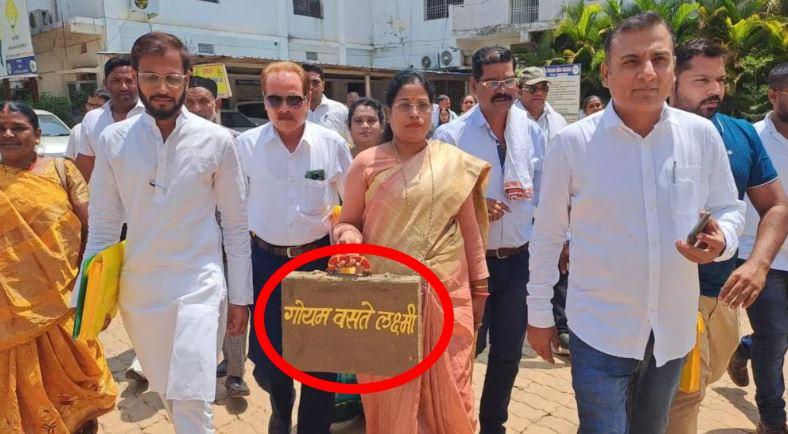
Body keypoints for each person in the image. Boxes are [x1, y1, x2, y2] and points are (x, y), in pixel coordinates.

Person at [527, 13, 745, 434]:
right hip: (600, 330)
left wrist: (724, 239)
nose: (647, 72)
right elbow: (548, 234)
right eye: (631, 61)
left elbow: (729, 208)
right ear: (606, 73)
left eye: (659, 59)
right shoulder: (572, 144)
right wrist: (539, 313)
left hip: (672, 329)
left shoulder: (700, 136)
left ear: (673, 68)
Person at [80, 32, 252, 433]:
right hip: (140, 293)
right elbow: (103, 225)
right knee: (170, 394)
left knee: (191, 397)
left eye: (172, 78)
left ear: (187, 79)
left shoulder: (217, 140)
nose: (162, 88)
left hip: (200, 286)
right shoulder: (113, 140)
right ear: (136, 77)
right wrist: (88, 299)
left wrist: (241, 297)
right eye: (151, 77)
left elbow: (235, 225)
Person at [333, 68, 490, 434]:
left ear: (433, 110)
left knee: (455, 390)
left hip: (448, 296)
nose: (415, 113)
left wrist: (481, 287)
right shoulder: (366, 163)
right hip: (385, 303)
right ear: (389, 112)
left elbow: (470, 232)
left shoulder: (453, 162)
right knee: (390, 396)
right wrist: (348, 237)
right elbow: (347, 221)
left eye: (423, 104)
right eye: (405, 105)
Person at [666, 39, 788, 434]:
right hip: (657, 295)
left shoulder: (739, 134)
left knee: (696, 385)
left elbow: (776, 206)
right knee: (678, 398)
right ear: (672, 79)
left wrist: (757, 265)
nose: (715, 90)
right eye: (702, 80)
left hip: (719, 296)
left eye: (720, 80)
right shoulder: (647, 133)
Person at [435, 45, 545, 434]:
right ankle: (456, 422)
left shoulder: (531, 132)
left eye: (508, 80)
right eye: (492, 81)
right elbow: (437, 198)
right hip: (468, 264)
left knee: (508, 352)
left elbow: (544, 193)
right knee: (463, 350)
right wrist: (477, 206)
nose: (502, 89)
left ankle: (493, 425)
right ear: (474, 84)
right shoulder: (451, 135)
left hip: (518, 260)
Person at [236, 61, 351, 434]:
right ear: (264, 101)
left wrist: (347, 237)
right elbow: (234, 213)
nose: (284, 108)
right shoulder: (245, 147)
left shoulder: (331, 145)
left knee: (321, 358)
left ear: (309, 97)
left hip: (318, 266)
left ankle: (312, 427)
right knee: (271, 359)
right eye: (275, 100)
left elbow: (353, 206)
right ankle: (280, 413)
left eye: (293, 99)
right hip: (264, 263)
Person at [0, 101, 117, 434]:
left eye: (18, 128)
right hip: (10, 315)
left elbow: (91, 230)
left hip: (65, 303)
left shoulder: (63, 171)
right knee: (22, 398)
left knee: (81, 390)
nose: (8, 134)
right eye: (1, 128)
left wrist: (94, 292)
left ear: (37, 135)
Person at [727, 62, 788, 434]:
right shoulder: (751, 138)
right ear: (773, 95)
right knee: (775, 338)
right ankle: (773, 418)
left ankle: (746, 347)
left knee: (776, 336)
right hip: (761, 256)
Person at [185, 74, 251, 399]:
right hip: (194, 241)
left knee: (236, 301)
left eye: (203, 101)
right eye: (190, 102)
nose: (197, 108)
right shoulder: (175, 144)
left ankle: (235, 372)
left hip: (231, 237)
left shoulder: (234, 142)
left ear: (217, 104)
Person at [75, 56, 145, 181]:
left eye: (129, 81)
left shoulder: (152, 116)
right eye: (116, 81)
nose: (124, 87)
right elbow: (84, 173)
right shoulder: (92, 120)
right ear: (105, 84)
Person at [515, 67, 568, 143]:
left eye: (544, 88)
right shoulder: (508, 119)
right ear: (519, 91)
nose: (539, 93)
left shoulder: (559, 121)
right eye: (533, 89)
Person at [302, 62, 350, 139]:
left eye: (315, 82)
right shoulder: (294, 112)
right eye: (306, 82)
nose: (310, 87)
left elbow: (350, 141)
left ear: (323, 85)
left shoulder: (341, 110)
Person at [65, 88, 110, 160]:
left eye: (96, 106)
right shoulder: (77, 129)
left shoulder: (114, 128)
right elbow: (70, 158)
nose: (91, 109)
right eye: (89, 105)